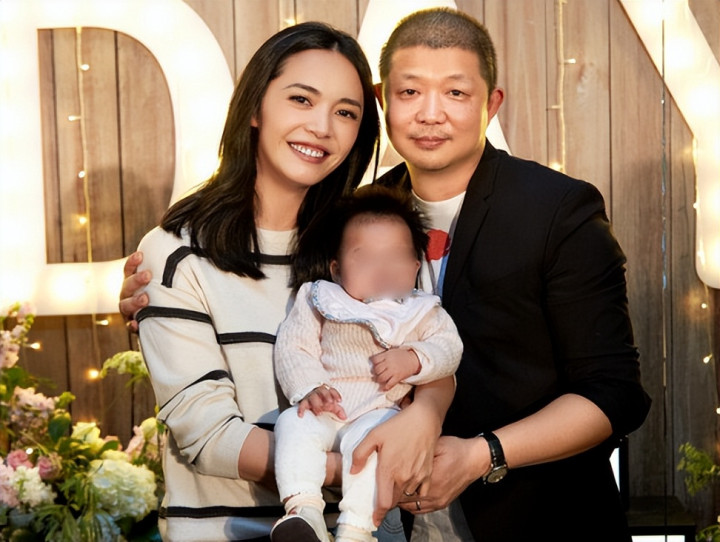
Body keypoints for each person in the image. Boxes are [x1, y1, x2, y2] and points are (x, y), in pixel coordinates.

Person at [122, 7, 652, 542]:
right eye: (410, 92)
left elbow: (612, 390)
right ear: (385, 101)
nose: (430, 114)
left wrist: (465, 444)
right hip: (359, 520)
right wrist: (372, 466)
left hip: (529, 518)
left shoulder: (555, 208)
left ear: (491, 104)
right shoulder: (353, 224)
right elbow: (207, 421)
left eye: (455, 92)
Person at [125, 21, 453, 542]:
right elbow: (207, 436)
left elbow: (430, 342)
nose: (322, 127)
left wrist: (425, 418)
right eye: (302, 99)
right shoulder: (177, 252)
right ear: (255, 108)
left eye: (346, 112)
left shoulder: (367, 245)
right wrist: (364, 467)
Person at [271, 186, 462, 542]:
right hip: (329, 406)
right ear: (337, 269)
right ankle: (303, 510)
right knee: (292, 424)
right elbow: (294, 346)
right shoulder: (321, 299)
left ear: (415, 266)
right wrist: (309, 386)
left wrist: (414, 358)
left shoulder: (422, 311)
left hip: (381, 412)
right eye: (365, 258)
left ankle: (356, 527)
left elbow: (449, 349)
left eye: (395, 257)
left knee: (377, 450)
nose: (383, 269)